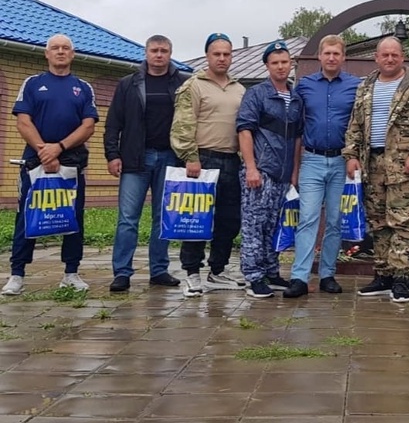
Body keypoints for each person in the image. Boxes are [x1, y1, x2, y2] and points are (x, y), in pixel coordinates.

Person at [1, 34, 98, 296]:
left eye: (66, 48)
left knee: (73, 217)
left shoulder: (83, 87)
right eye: (55, 48)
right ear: (46, 54)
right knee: (27, 217)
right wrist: (45, 150)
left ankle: (71, 273)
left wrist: (60, 148)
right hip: (36, 162)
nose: (60, 52)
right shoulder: (32, 83)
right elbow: (23, 121)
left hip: (70, 163)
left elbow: (88, 126)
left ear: (72, 54)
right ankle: (17, 275)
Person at [343, 37, 409, 303]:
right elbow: (355, 125)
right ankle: (382, 274)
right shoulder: (366, 87)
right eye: (385, 55)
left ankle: (400, 278)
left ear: (403, 57)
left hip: (404, 167)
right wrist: (351, 155)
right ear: (376, 57)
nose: (390, 59)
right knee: (378, 222)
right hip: (372, 165)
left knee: (403, 223)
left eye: (395, 55)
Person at [104, 35, 189, 292]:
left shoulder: (183, 83)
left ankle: (159, 270)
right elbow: (113, 123)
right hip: (134, 159)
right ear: (147, 53)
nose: (159, 55)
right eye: (155, 50)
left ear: (171, 53)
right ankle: (122, 273)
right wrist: (112, 155)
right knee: (128, 218)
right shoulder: (128, 84)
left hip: (169, 158)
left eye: (164, 51)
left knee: (163, 218)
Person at [283, 35, 360, 298]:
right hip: (312, 160)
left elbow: (360, 124)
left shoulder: (354, 86)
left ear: (343, 57)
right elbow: (294, 125)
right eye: (327, 53)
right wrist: (293, 167)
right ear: (319, 56)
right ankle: (299, 277)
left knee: (336, 221)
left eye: (336, 54)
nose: (331, 58)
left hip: (341, 161)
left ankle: (328, 274)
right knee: (307, 219)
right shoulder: (304, 86)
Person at [170, 33, 245, 297]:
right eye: (217, 54)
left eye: (227, 54)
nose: (222, 58)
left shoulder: (239, 89)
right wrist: (190, 157)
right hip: (202, 161)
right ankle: (191, 273)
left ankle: (218, 271)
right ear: (207, 56)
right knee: (196, 221)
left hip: (231, 161)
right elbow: (182, 125)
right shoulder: (194, 86)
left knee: (229, 221)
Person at [237, 40, 303, 298]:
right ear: (266, 66)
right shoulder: (256, 94)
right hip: (261, 171)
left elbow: (297, 139)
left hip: (284, 173)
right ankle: (253, 276)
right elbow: (245, 130)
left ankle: (271, 271)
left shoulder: (296, 98)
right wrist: (251, 167)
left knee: (275, 224)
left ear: (291, 64)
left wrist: (294, 173)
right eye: (275, 63)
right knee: (255, 225)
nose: (280, 67)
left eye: (284, 62)